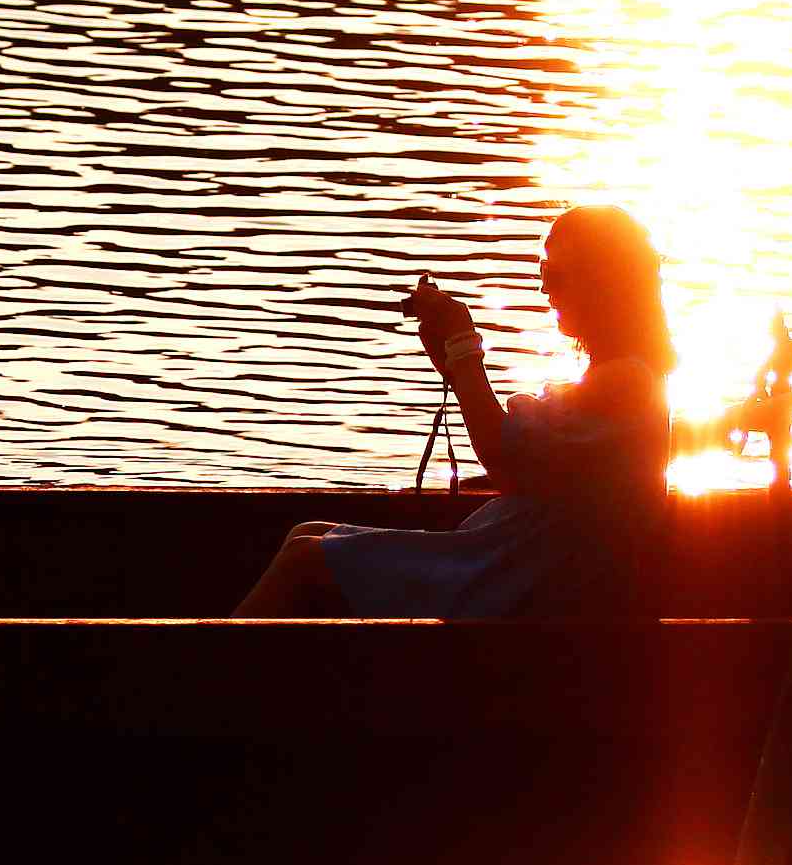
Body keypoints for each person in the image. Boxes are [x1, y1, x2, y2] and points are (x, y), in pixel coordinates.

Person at [236, 206, 755, 617]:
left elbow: (507, 462)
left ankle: (205, 681)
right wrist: (457, 365)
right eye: (541, 270)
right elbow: (535, 461)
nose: (544, 286)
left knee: (304, 562)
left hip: (531, 586)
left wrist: (465, 352)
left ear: (603, 283)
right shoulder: (624, 375)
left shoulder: (624, 381)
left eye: (556, 272)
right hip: (522, 561)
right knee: (306, 533)